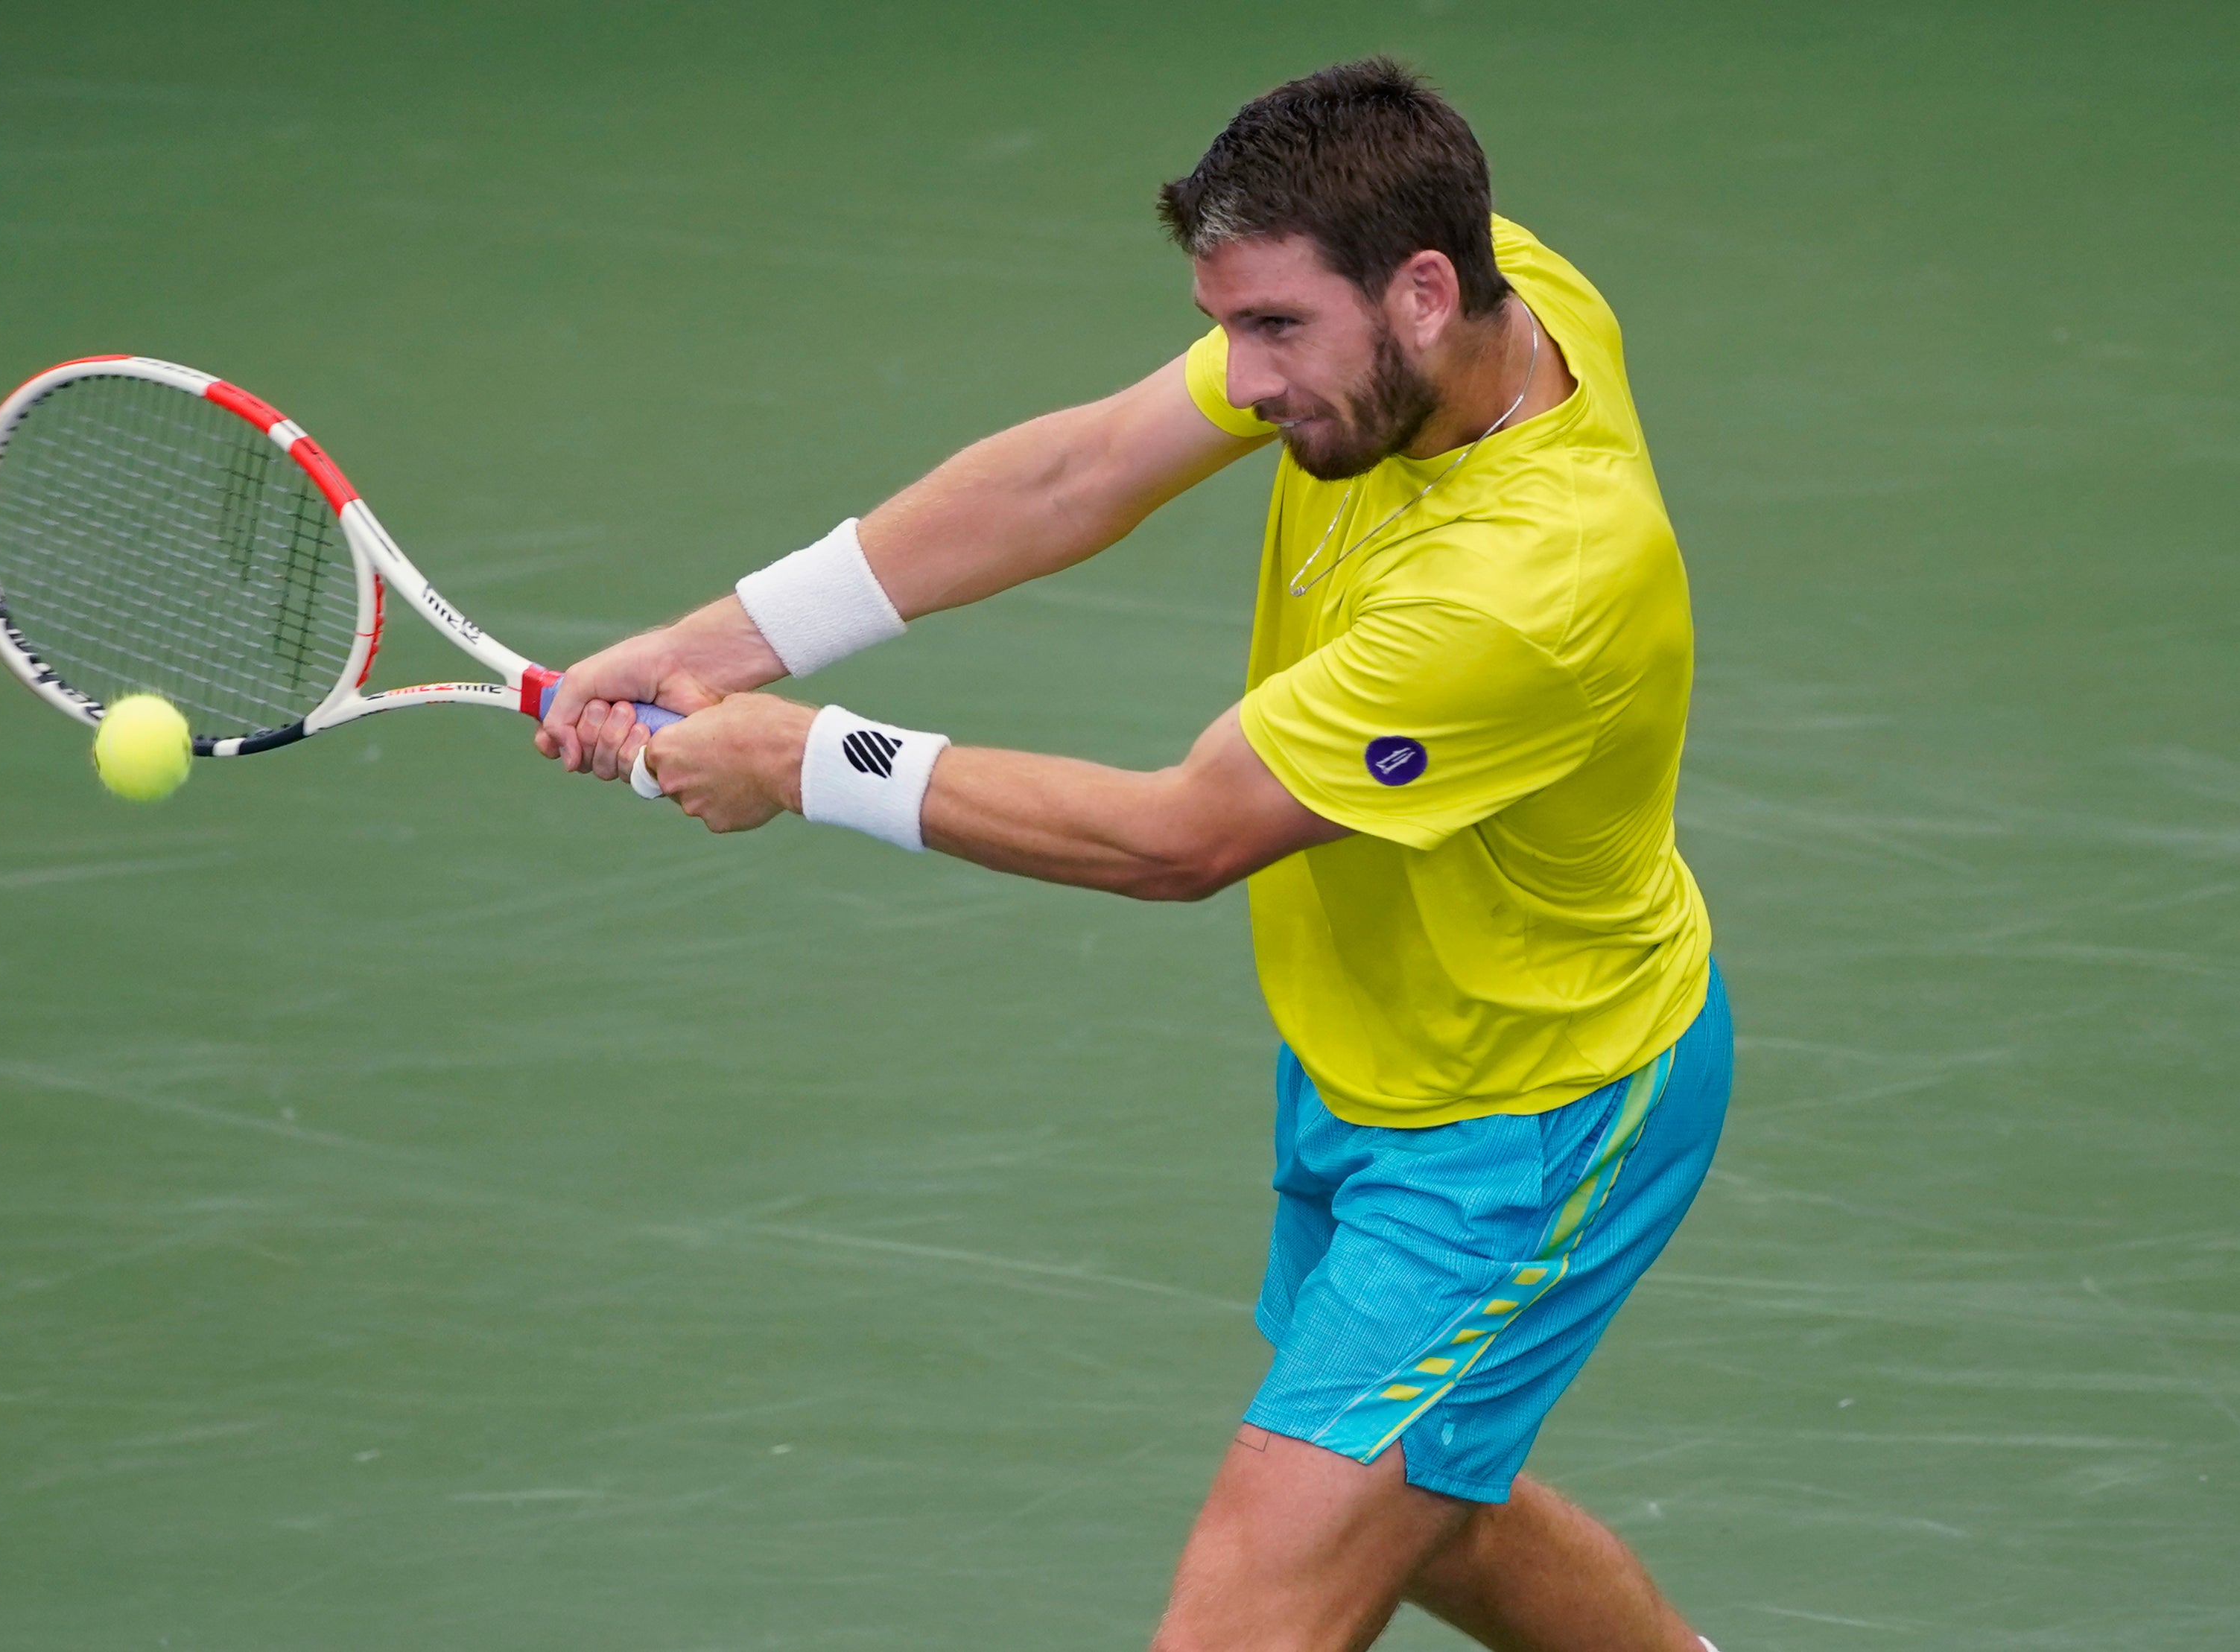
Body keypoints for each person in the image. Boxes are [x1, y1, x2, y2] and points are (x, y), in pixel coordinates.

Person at [536, 57, 1731, 1652]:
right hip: (1378, 1047)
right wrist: (722, 641)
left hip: (1529, 1123)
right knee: (1429, 1507)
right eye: (1224, 324)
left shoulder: (1524, 589)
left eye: (1275, 331)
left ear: (1425, 292)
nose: (1241, 377)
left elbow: (1178, 836)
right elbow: (1077, 467)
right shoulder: (1479, 288)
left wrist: (803, 757)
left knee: (1253, 1605)